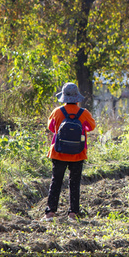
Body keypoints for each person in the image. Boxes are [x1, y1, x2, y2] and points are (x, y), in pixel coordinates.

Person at [45, 82, 96, 220]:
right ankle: (73, 214)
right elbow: (91, 127)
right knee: (74, 183)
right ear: (77, 97)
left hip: (58, 152)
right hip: (78, 154)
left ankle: (50, 213)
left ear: (63, 97)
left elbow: (51, 128)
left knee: (56, 181)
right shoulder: (84, 113)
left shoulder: (57, 112)